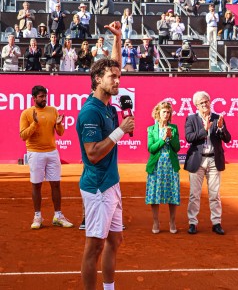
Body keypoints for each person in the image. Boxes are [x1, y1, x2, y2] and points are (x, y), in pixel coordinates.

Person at [76, 21, 134, 290]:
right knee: (94, 246)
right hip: (98, 186)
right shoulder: (91, 112)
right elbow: (94, 153)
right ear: (98, 79)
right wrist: (121, 130)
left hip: (111, 183)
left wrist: (118, 38)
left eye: (119, 77)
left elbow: (114, 62)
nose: (118, 82)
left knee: (115, 240)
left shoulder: (108, 104)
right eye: (113, 78)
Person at [19, 85, 74, 230]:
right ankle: (37, 216)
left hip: (52, 152)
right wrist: (35, 124)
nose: (44, 99)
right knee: (36, 185)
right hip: (35, 152)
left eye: (45, 96)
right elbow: (23, 135)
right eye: (41, 97)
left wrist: (59, 124)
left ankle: (58, 215)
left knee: (56, 184)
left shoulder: (53, 111)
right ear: (34, 98)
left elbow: (60, 133)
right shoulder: (26, 114)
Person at [184, 91, 231, 235]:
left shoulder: (218, 118)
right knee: (194, 194)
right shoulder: (191, 119)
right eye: (201, 103)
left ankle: (216, 222)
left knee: (215, 194)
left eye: (206, 101)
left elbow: (228, 139)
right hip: (197, 160)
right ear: (196, 105)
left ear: (210, 102)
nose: (204, 104)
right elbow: (189, 137)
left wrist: (221, 128)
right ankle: (193, 222)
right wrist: (204, 130)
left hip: (213, 159)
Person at [146, 101, 180, 234]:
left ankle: (172, 221)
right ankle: (156, 221)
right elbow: (151, 148)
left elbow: (177, 148)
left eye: (168, 112)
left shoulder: (174, 128)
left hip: (170, 164)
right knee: (155, 194)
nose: (166, 114)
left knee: (172, 194)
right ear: (158, 113)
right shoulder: (151, 129)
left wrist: (171, 138)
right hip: (156, 165)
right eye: (164, 112)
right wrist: (163, 139)